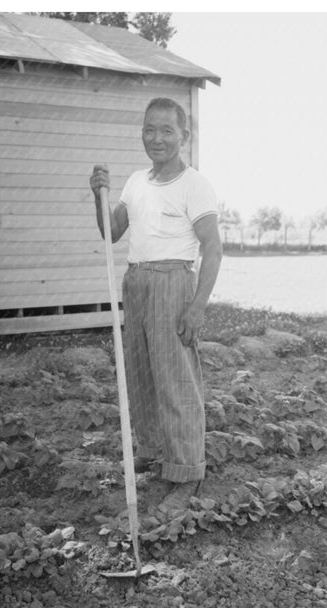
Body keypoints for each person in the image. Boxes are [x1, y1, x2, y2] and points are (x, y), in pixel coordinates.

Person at [90, 97, 223, 511]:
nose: (157, 138)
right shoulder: (134, 182)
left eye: (167, 130)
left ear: (184, 136)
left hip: (173, 282)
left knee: (176, 380)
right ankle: (154, 450)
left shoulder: (194, 184)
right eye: (150, 129)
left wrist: (197, 306)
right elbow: (111, 232)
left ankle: (186, 473)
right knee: (142, 374)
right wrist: (98, 196)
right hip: (137, 282)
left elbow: (213, 249)